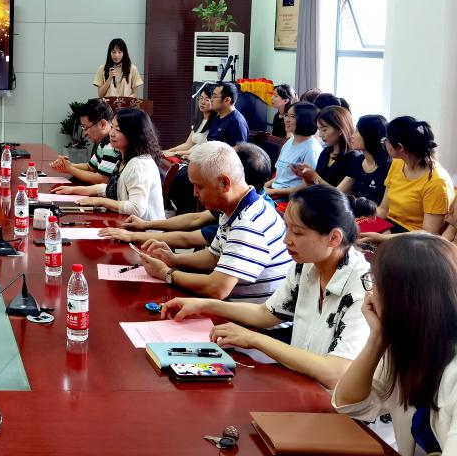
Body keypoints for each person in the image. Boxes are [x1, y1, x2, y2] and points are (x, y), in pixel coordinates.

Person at [161, 185, 377, 390]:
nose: (286, 240)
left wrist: (254, 339)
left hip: (336, 406)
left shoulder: (362, 289)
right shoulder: (306, 266)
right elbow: (266, 314)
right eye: (287, 228)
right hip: (301, 385)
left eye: (297, 232)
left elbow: (335, 372)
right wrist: (203, 305)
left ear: (333, 238)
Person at [333, 234, 457, 455]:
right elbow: (348, 404)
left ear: (403, 298)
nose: (369, 294)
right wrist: (378, 338)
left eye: (375, 283)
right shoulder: (412, 346)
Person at [137, 141, 292, 301]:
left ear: (225, 183)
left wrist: (166, 273)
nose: (195, 193)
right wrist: (173, 259)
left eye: (199, 186)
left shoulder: (249, 223)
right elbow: (213, 256)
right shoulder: (236, 208)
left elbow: (217, 289)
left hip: (247, 313)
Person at [102, 142, 271, 247]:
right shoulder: (239, 199)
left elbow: (188, 239)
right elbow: (195, 219)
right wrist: (146, 224)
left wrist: (133, 236)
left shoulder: (248, 218)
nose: (195, 193)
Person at [54, 108, 164, 221]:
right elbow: (112, 189)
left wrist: (101, 201)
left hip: (146, 230)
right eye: (112, 127)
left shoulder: (138, 165)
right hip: (127, 224)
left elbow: (136, 208)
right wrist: (74, 190)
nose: (111, 133)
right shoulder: (125, 157)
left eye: (118, 130)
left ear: (134, 134)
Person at [359, 117, 454, 242]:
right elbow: (383, 209)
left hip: (414, 239)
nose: (384, 143)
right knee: (348, 231)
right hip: (389, 226)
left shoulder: (437, 182)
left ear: (400, 147)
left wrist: (382, 238)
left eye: (386, 140)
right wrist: (362, 224)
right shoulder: (397, 163)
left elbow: (430, 233)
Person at [296, 114, 391, 205]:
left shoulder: (388, 166)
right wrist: (311, 177)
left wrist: (314, 176)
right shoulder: (359, 160)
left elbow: (383, 209)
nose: (352, 136)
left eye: (357, 131)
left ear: (370, 135)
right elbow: (338, 192)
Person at [49, 99, 120, 183]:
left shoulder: (112, 145)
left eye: (86, 127)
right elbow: (90, 167)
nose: (84, 133)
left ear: (102, 124)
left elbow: (102, 179)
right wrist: (67, 165)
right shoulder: (104, 142)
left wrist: (70, 169)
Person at [264, 102, 321, 200]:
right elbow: (280, 176)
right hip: (275, 191)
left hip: (291, 197)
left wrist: (273, 191)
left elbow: (308, 185)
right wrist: (265, 186)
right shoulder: (289, 141)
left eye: (292, 116)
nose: (286, 120)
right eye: (286, 115)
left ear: (305, 120)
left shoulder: (311, 149)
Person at [162, 84, 215, 158]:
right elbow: (187, 145)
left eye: (207, 100)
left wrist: (175, 153)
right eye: (201, 98)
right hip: (190, 157)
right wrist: (168, 151)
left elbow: (203, 149)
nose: (202, 102)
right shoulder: (200, 121)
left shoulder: (215, 123)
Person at [205, 82, 250, 147]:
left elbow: (237, 151)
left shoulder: (236, 122)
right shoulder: (217, 118)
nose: (211, 100)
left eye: (214, 96)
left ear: (227, 100)